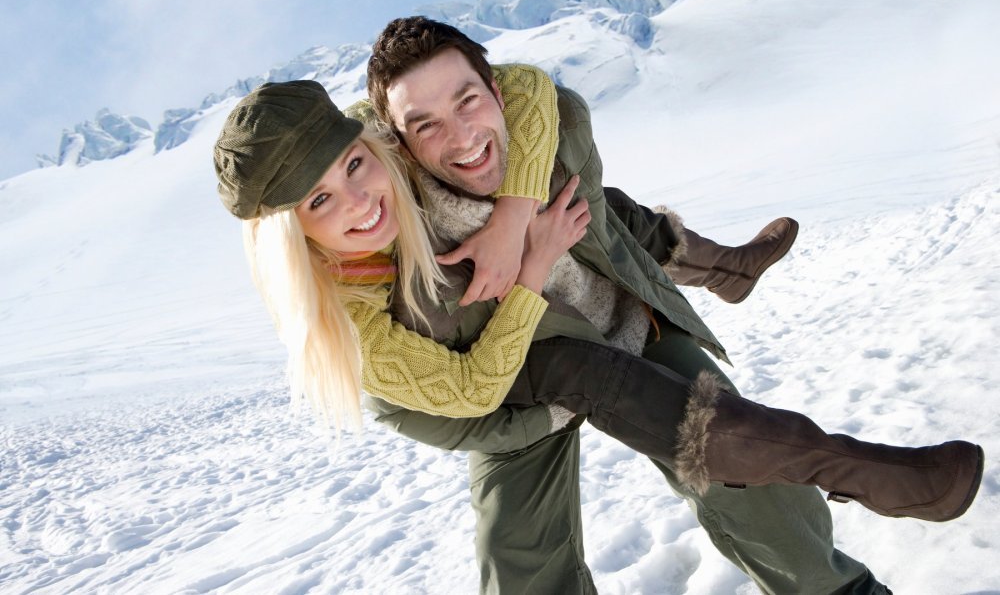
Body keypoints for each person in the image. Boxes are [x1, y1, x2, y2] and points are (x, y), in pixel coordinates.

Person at [213, 78, 983, 595]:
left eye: (354, 164)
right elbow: (468, 403)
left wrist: (518, 216)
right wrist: (534, 292)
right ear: (291, 237)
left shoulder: (396, 134)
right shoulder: (350, 328)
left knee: (743, 473)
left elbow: (532, 92)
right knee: (522, 563)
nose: (360, 199)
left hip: (610, 318)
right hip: (513, 405)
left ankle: (839, 589)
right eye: (320, 201)